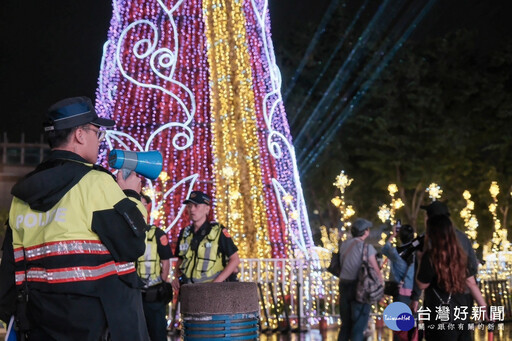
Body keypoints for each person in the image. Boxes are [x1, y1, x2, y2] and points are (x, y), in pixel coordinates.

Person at [0, 96, 150, 340]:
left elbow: (9, 268)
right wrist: (131, 194)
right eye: (97, 133)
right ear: (80, 135)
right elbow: (131, 245)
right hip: (96, 324)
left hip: (39, 323)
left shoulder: (21, 195)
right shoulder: (96, 183)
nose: (100, 140)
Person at [416, 214, 487, 340]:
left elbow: (422, 284)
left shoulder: (431, 256)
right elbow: (471, 283)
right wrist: (483, 307)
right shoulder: (459, 254)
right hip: (460, 312)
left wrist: (421, 260)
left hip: (439, 315)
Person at [410, 201, 479, 313]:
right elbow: (473, 266)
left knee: (440, 328)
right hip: (463, 295)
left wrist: (415, 298)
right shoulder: (462, 237)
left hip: (438, 298)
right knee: (461, 327)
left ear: (429, 219)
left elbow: (422, 275)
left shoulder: (426, 240)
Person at [171, 190, 240, 290]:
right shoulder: (185, 233)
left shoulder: (218, 231)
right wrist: (176, 277)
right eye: (189, 206)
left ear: (207, 209)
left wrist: (215, 284)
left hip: (212, 291)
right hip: (189, 289)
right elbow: (180, 260)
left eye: (196, 206)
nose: (192, 210)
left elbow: (235, 259)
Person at [338, 218, 383, 341]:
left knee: (345, 325)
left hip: (343, 286)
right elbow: (376, 270)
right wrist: (381, 286)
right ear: (365, 232)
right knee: (358, 326)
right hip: (360, 288)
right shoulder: (367, 248)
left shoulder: (344, 245)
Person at [137, 194, 173, 341]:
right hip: (134, 294)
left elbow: (166, 262)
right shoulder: (127, 234)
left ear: (148, 208)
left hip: (153, 294)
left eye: (143, 204)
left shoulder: (157, 233)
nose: (140, 207)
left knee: (157, 334)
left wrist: (160, 284)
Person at [382, 223, 416, 305]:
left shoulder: (395, 252)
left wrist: (393, 235)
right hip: (414, 292)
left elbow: (384, 249)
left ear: (400, 237)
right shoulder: (417, 252)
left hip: (399, 291)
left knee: (399, 316)